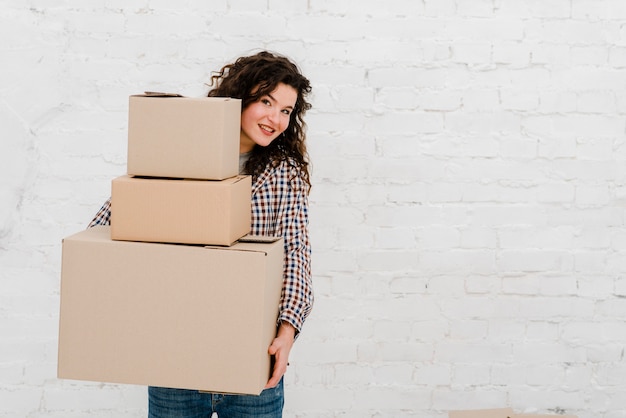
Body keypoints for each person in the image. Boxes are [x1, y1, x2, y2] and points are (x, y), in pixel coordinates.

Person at [88, 50, 314, 417]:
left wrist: (287, 333)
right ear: (240, 98)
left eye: (286, 110)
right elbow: (107, 225)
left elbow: (296, 257)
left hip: (251, 358)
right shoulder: (182, 153)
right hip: (174, 357)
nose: (276, 118)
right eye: (266, 101)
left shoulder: (282, 172)